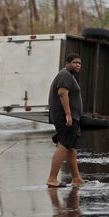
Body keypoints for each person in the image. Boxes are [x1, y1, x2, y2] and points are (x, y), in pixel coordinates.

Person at [46, 53, 85, 188]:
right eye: (75, 62)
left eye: (79, 63)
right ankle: (52, 178)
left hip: (72, 117)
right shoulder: (65, 75)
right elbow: (62, 93)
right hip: (66, 118)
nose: (78, 65)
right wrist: (68, 115)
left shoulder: (68, 76)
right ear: (67, 63)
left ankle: (76, 178)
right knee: (63, 145)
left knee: (71, 148)